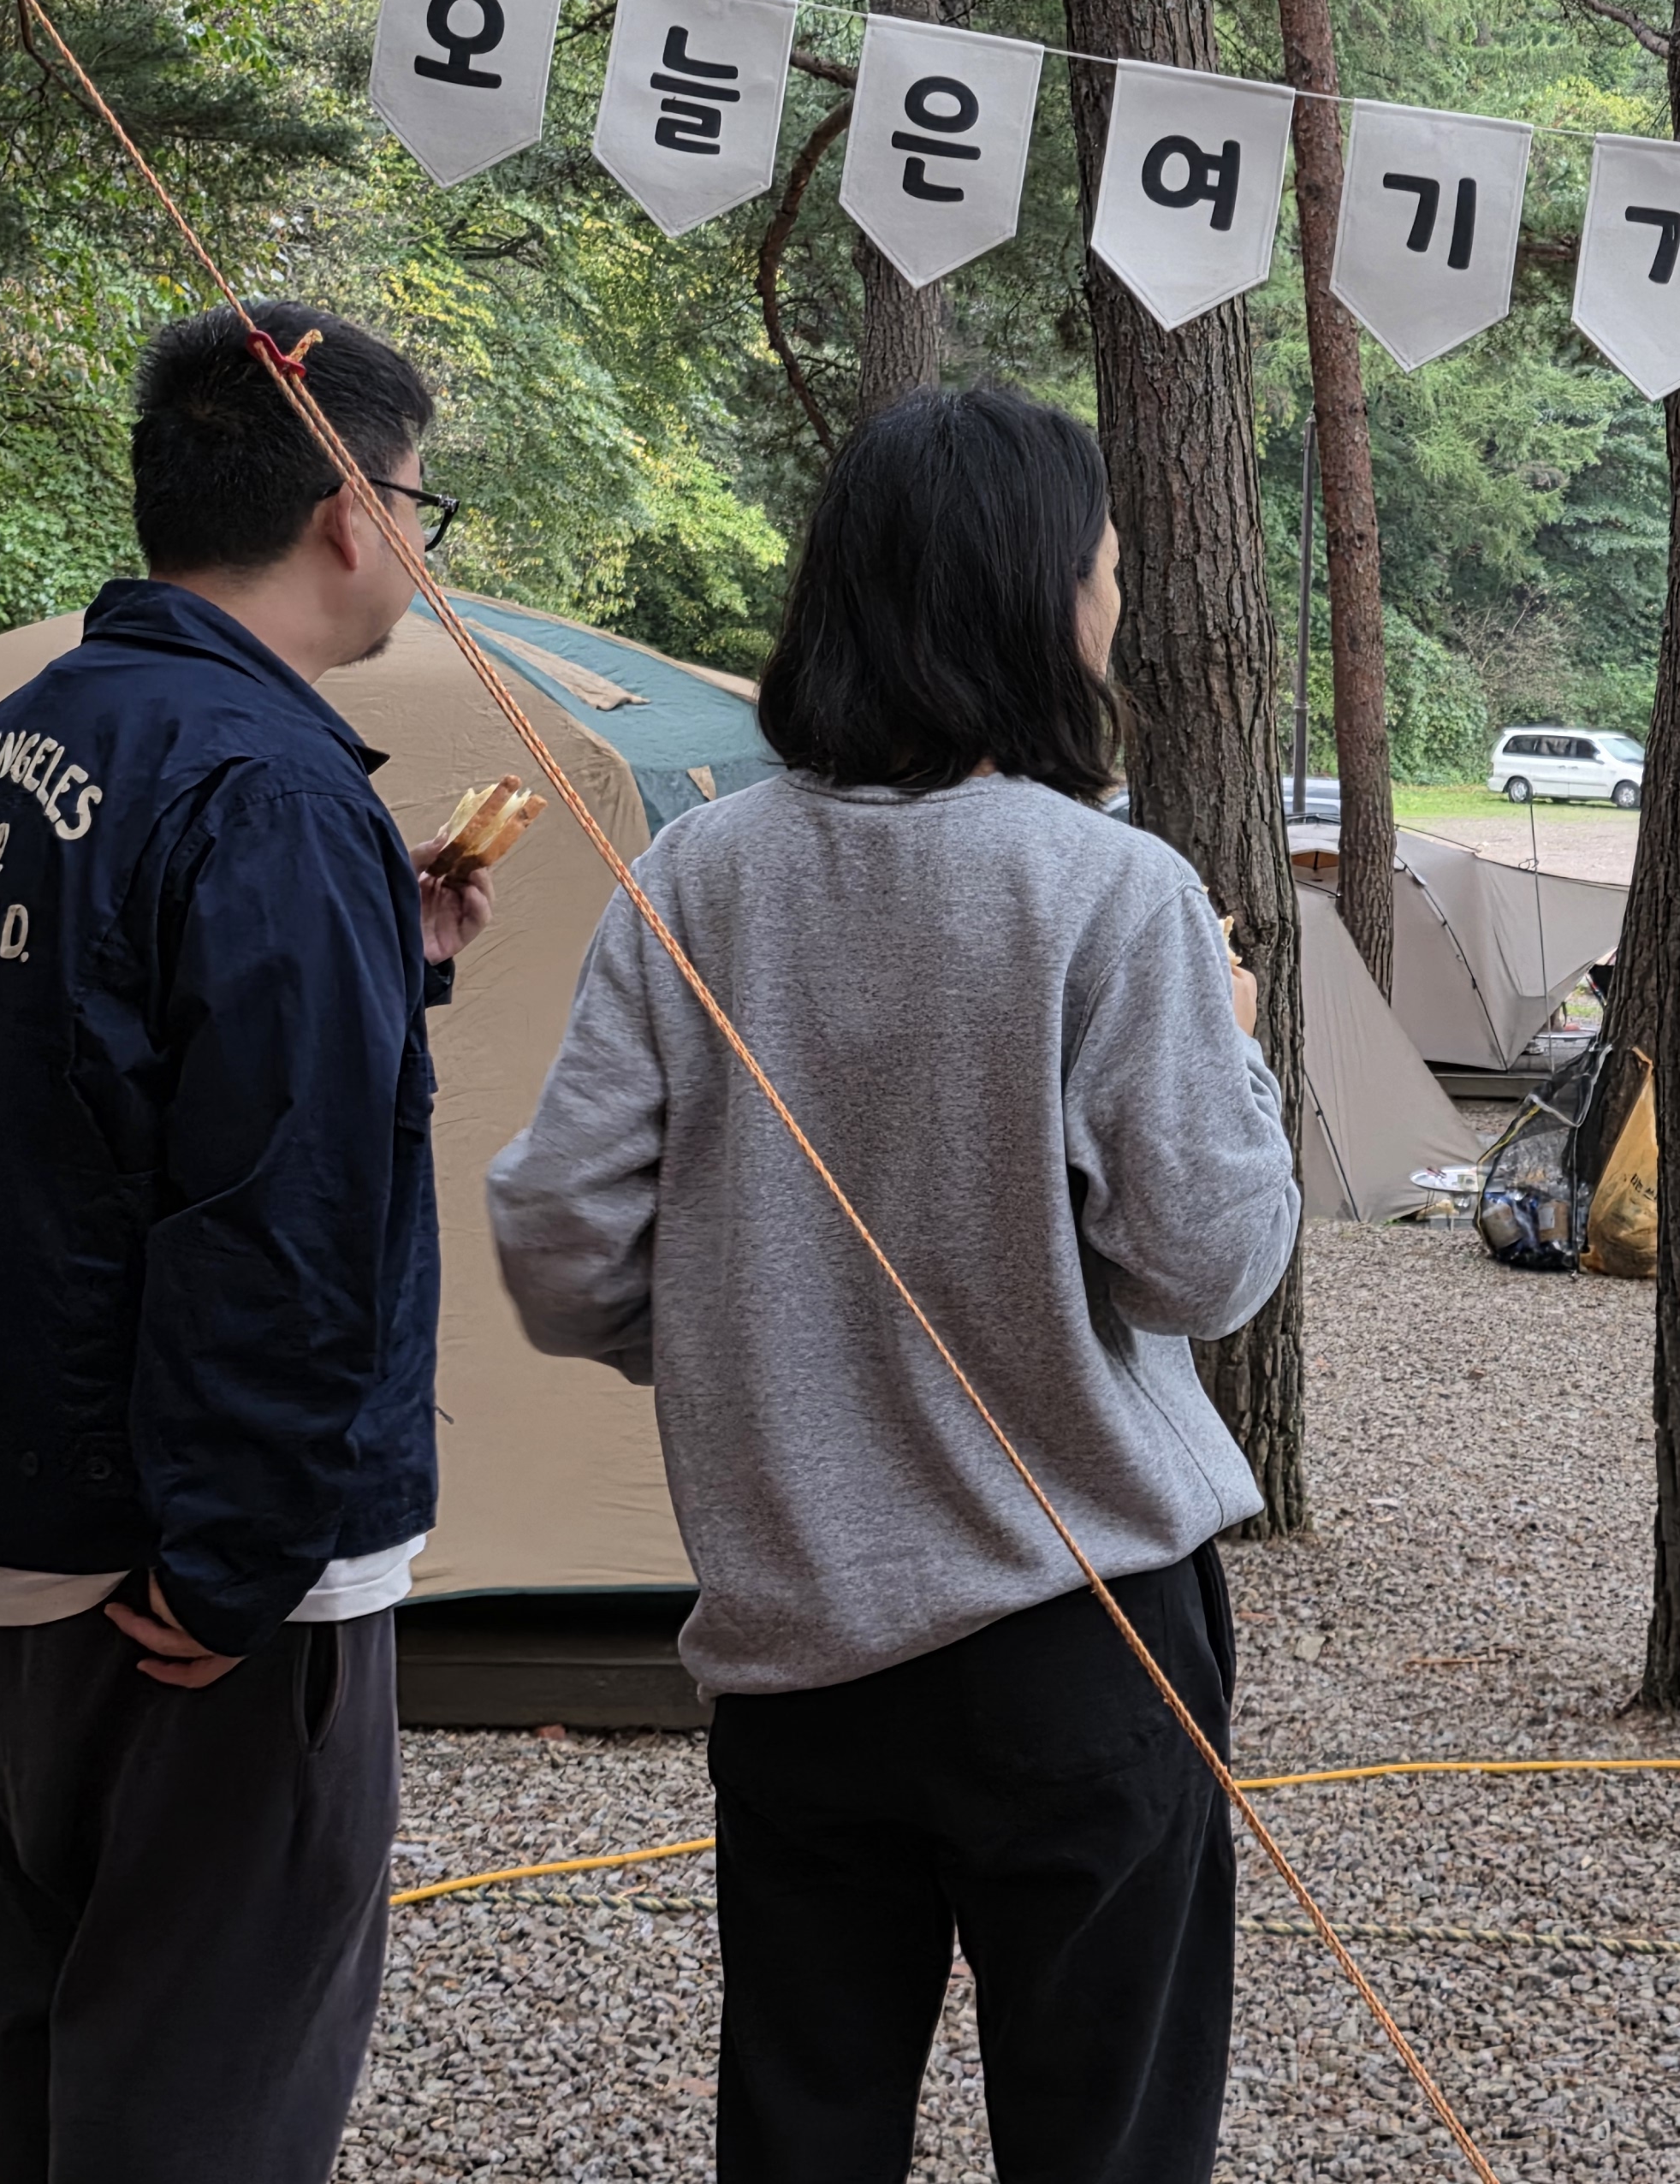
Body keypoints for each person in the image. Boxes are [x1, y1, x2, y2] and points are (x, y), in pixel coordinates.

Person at [486, 384, 1299, 2184]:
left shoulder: (695, 872)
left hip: (798, 1641)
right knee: (1103, 2144)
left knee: (804, 2131)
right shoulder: (1115, 890)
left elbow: (555, 1243)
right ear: (1026, 608)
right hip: (1082, 1633)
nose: (1114, 614)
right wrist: (1235, 1052)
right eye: (1098, 577)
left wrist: (736, 1335)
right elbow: (1206, 1264)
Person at [0, 301, 490, 2181]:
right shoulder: (271, 788)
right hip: (202, 1585)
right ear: (344, 515)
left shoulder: (4, 750)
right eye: (418, 504)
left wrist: (386, 948)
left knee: (65, 2049)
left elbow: (46, 1083)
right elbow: (285, 1215)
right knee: (210, 2077)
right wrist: (234, 1563)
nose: (415, 544)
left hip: (20, 1523)